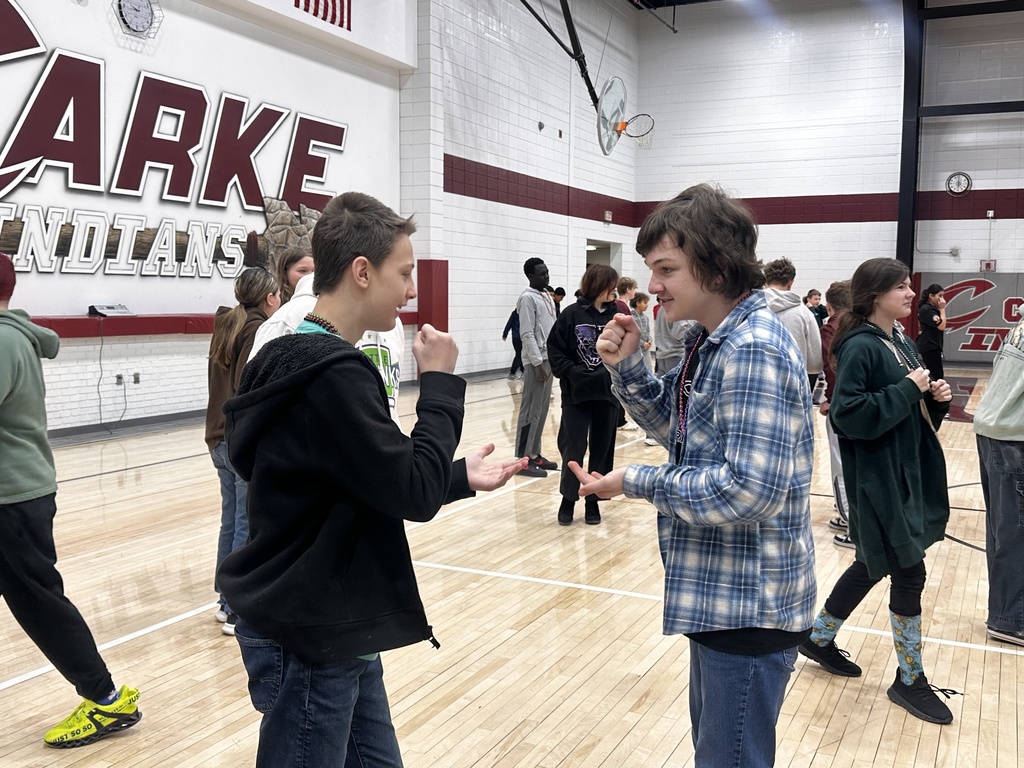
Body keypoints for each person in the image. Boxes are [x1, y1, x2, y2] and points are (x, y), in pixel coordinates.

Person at [218, 192, 523, 768]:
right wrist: (439, 386)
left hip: (336, 619)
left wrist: (456, 476)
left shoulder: (297, 359)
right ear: (362, 272)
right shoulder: (333, 374)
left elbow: (369, 476)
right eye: (403, 274)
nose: (411, 290)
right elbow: (413, 494)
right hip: (313, 627)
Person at [573, 185, 817, 768]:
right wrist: (628, 368)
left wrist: (637, 481)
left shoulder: (752, 349)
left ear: (716, 266)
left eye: (666, 269)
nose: (653, 285)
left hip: (748, 607)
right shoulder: (713, 339)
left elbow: (747, 491)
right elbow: (685, 435)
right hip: (722, 601)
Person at [798, 258, 959, 725]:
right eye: (901, 287)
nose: (911, 293)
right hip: (877, 478)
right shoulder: (861, 346)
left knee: (873, 563)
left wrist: (933, 400)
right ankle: (910, 679)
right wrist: (908, 391)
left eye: (910, 285)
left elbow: (908, 406)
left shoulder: (900, 338)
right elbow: (847, 414)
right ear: (875, 295)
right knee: (909, 572)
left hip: (903, 470)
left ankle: (818, 638)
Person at [0, 252, 141, 748]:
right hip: (17, 493)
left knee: (39, 603)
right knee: (37, 600)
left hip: (12, 498)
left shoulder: (2, 340)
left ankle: (106, 699)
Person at [204, 266, 280, 635]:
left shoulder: (226, 324)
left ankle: (224, 600)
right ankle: (235, 608)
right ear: (269, 297)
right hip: (236, 439)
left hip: (215, 436)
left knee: (231, 520)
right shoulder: (255, 330)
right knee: (244, 524)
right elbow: (245, 390)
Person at [547, 264, 621, 526]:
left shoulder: (619, 314)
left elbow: (629, 350)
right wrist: (572, 372)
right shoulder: (571, 314)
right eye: (610, 285)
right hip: (576, 395)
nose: (614, 290)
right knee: (573, 447)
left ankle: (593, 500)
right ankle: (568, 499)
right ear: (597, 285)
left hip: (608, 394)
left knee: (602, 449)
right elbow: (555, 349)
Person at [973, 314, 1024, 647]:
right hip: (1013, 436)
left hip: (995, 428)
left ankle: (1007, 612)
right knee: (1015, 534)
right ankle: (1009, 619)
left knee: (1004, 531)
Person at [818, 280, 855, 549]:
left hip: (843, 406)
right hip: (859, 404)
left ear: (829, 306)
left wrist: (831, 398)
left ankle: (854, 527)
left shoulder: (832, 328)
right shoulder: (861, 323)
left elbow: (834, 368)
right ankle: (852, 520)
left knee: (842, 467)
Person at [515, 258, 558, 477]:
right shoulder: (527, 298)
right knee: (530, 410)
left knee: (541, 410)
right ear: (530, 276)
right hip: (536, 362)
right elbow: (527, 333)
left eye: (547, 272)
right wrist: (537, 362)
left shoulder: (546, 296)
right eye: (542, 274)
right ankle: (523, 460)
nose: (546, 277)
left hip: (549, 359)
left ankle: (534, 453)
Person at [763, 258, 823, 392]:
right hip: (792, 385)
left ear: (765, 280)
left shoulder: (750, 308)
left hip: (757, 382)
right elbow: (815, 362)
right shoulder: (804, 314)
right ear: (791, 282)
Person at [917, 283, 947, 382]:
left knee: (934, 373)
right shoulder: (927, 309)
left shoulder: (931, 308)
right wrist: (942, 309)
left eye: (942, 296)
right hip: (930, 345)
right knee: (936, 375)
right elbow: (941, 326)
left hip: (933, 344)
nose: (942, 299)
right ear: (931, 295)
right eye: (940, 296)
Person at [653, 300, 692, 374]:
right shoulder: (677, 308)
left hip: (662, 354)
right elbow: (679, 334)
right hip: (675, 355)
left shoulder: (661, 308)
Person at [630, 291, 654, 371]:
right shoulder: (631, 318)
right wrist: (642, 343)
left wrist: (650, 340)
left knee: (649, 370)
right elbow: (632, 335)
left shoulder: (646, 318)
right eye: (645, 303)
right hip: (635, 351)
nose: (647, 305)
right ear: (637, 303)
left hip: (646, 350)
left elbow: (648, 332)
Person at [502, 308, 523, 380]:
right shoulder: (523, 314)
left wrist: (505, 334)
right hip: (520, 337)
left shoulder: (514, 313)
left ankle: (523, 371)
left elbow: (509, 324)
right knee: (519, 355)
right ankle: (512, 373)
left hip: (515, 337)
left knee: (520, 355)